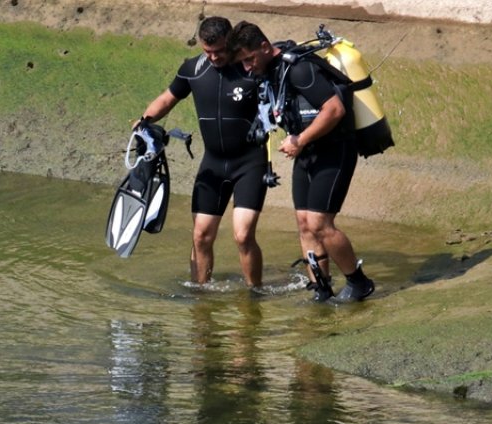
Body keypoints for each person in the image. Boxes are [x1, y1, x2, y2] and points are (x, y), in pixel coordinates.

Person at [228, 21, 375, 302]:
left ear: (263, 46)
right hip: (308, 153)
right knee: (304, 224)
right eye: (242, 62)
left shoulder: (298, 69)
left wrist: (300, 140)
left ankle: (359, 282)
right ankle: (320, 287)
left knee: (320, 224)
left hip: (334, 150)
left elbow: (334, 109)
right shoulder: (272, 72)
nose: (247, 67)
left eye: (249, 59)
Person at [138, 17, 267, 288]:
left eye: (219, 51)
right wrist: (144, 121)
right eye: (207, 51)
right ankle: (200, 296)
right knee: (200, 237)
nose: (213, 57)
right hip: (213, 164)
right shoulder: (192, 69)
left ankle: (254, 295)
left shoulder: (250, 68)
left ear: (230, 42)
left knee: (243, 236)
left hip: (250, 163)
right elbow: (167, 99)